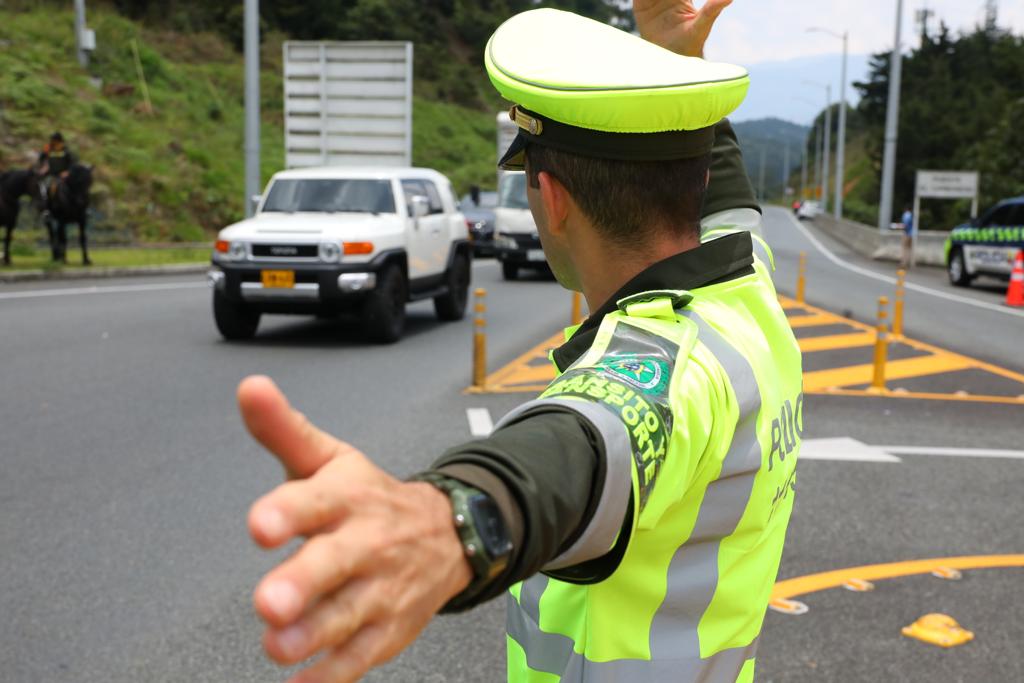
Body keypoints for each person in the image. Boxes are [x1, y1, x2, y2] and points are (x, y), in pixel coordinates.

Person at [237, 2, 803, 682]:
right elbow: (722, 186)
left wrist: (451, 519)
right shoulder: (748, 289)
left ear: (553, 199)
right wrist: (673, 64)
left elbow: (590, 437)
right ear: (698, 181)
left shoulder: (671, 363)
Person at [37, 132, 77, 203]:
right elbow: (41, 159)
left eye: (54, 140)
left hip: (62, 175)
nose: (52, 142)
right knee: (41, 186)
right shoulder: (48, 148)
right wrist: (43, 166)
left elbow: (73, 163)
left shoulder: (66, 151)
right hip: (50, 174)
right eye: (52, 140)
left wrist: (68, 172)